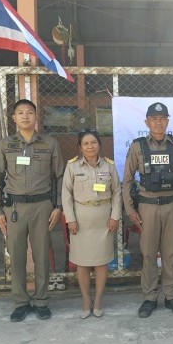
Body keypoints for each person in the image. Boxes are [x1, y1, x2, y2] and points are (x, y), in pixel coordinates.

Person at [0, 99, 65, 322]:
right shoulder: (5, 145)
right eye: (20, 113)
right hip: (14, 208)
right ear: (14, 118)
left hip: (43, 207)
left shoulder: (49, 143)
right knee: (16, 256)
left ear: (36, 116)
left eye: (29, 112)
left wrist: (58, 207)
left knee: (42, 256)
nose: (25, 116)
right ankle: (20, 302)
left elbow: (60, 176)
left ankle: (41, 300)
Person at [122, 102, 173, 318]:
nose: (158, 122)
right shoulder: (138, 147)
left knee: (170, 253)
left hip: (171, 206)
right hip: (148, 207)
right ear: (147, 122)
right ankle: (150, 297)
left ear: (167, 121)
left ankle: (171, 295)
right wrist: (130, 209)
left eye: (162, 119)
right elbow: (127, 180)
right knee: (149, 254)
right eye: (154, 119)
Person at [62, 129, 122, 319]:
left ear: (99, 145)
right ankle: (86, 299)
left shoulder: (109, 166)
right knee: (82, 263)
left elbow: (117, 193)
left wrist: (115, 217)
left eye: (93, 142)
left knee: (101, 262)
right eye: (86, 143)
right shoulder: (72, 166)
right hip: (81, 220)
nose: (90, 146)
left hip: (104, 219)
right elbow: (66, 195)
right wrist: (70, 219)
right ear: (80, 147)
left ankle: (98, 300)